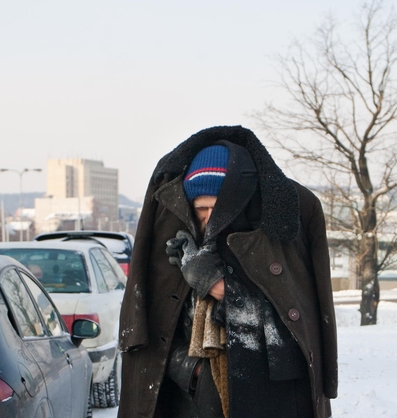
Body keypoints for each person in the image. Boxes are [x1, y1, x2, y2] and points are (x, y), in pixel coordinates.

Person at [118, 126, 337, 418]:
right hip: (190, 396)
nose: (208, 218)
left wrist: (217, 285)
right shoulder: (172, 225)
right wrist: (194, 373)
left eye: (215, 207)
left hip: (273, 395)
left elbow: (299, 320)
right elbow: (155, 321)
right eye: (200, 208)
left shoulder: (293, 213)